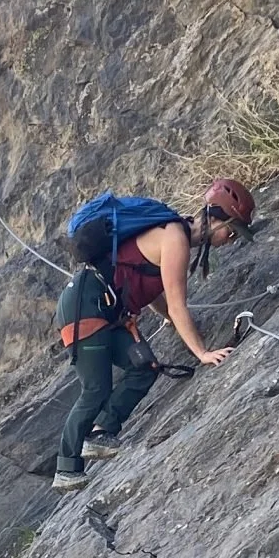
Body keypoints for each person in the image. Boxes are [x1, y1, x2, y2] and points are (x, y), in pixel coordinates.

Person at [53, 180, 254, 490]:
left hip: (102, 308)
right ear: (216, 219)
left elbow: (150, 288)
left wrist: (167, 319)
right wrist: (201, 353)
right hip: (85, 305)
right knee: (96, 387)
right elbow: (177, 305)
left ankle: (99, 432)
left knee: (144, 366)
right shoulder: (175, 239)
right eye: (232, 231)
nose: (231, 239)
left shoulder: (173, 236)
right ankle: (66, 467)